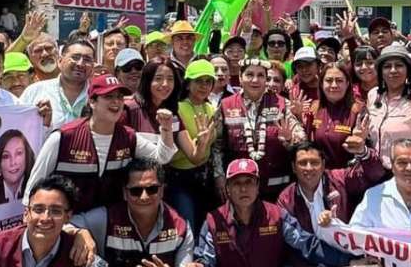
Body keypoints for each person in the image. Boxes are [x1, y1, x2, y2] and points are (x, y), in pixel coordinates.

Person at [25, 75, 176, 215]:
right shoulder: (63, 137)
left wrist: (166, 128)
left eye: (120, 97)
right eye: (109, 97)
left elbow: (162, 157)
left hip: (111, 223)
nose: (116, 102)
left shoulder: (128, 137)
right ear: (92, 102)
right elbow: (35, 184)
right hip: (68, 222)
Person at [188, 158, 348, 267]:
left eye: (249, 182)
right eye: (237, 183)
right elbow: (206, 261)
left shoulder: (276, 215)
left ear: (258, 186)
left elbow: (307, 245)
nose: (243, 188)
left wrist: (347, 261)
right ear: (227, 188)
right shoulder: (214, 221)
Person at [212, 57, 304, 202]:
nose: (255, 80)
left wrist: (289, 140)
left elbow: (300, 141)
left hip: (277, 188)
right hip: (239, 188)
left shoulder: (282, 104)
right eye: (249, 75)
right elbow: (216, 146)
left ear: (266, 80)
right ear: (240, 79)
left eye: (260, 75)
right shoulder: (225, 105)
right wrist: (219, 176)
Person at [279, 139, 384, 243]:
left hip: (349, 251)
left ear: (323, 165)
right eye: (302, 163)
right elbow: (298, 242)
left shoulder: (340, 179)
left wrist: (364, 153)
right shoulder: (286, 200)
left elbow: (375, 174)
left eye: (314, 162)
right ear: (293, 167)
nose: (309, 168)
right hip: (309, 258)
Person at [367, 42, 411, 171]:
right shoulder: (373, 96)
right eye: (387, 66)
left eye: (399, 65)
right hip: (375, 173)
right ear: (381, 72)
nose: (393, 70)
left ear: (408, 71)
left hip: (408, 172)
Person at [167, 60, 219, 233]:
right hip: (180, 179)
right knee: (187, 227)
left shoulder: (210, 108)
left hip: (205, 178)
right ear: (188, 84)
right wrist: (200, 142)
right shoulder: (178, 109)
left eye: (208, 81)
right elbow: (192, 154)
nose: (204, 86)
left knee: (206, 226)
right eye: (198, 81)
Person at [298, 64, 368, 169]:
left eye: (339, 80)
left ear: (348, 84)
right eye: (329, 80)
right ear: (321, 84)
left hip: (347, 177)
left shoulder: (358, 110)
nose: (334, 85)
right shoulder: (314, 108)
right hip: (318, 176)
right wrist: (298, 116)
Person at [20, 36, 94, 129]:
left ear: (93, 66)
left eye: (87, 60)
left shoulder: (100, 95)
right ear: (60, 61)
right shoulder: (34, 91)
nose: (80, 64)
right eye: (75, 57)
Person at [126, 60, 183, 135]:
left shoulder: (172, 111)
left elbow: (186, 144)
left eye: (170, 79)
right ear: (147, 81)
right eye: (158, 79)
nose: (165, 84)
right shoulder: (129, 108)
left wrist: (201, 142)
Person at [0, 129, 36, 207]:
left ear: (27, 157)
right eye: (6, 156)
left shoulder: (36, 194)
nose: (13, 162)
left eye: (18, 153)